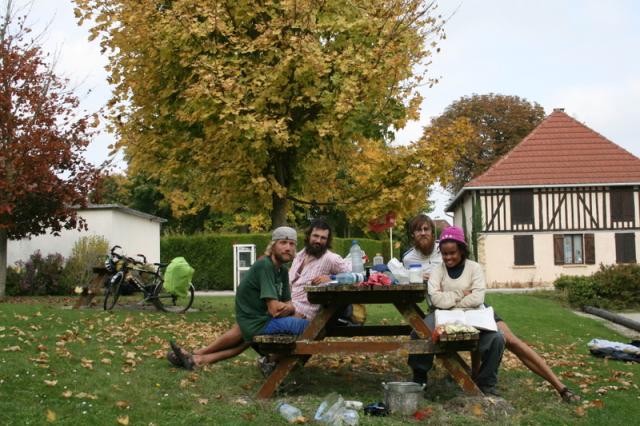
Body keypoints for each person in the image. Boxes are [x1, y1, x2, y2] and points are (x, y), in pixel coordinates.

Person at [403, 215, 580, 402]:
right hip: (446, 309)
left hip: (477, 307)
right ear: (412, 234)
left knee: (509, 340)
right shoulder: (408, 258)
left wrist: (456, 298)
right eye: (418, 230)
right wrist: (458, 295)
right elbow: (429, 293)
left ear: (433, 232)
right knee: (422, 332)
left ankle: (560, 387)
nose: (422, 233)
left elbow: (476, 295)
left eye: (426, 229)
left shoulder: (448, 243)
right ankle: (431, 379)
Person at [167, 226, 308, 370]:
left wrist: (289, 308)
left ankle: (196, 358)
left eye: (291, 244)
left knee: (243, 343)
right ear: (273, 246)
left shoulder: (283, 270)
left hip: (257, 318)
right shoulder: (265, 266)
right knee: (310, 328)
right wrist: (288, 308)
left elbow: (288, 304)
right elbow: (274, 310)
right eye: (283, 242)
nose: (288, 248)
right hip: (256, 319)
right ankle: (275, 362)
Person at [408, 226, 505, 396]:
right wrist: (461, 294)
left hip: (474, 314)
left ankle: (486, 385)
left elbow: (478, 298)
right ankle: (419, 378)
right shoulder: (438, 270)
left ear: (461, 250)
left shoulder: (474, 268)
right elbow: (436, 299)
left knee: (497, 339)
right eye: (444, 254)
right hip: (442, 314)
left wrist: (449, 299)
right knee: (419, 333)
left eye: (452, 253)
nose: (448, 257)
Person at [289, 219, 351, 320]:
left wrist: (332, 278)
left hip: (304, 315)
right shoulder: (298, 256)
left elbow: (357, 276)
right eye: (315, 236)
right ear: (309, 236)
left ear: (327, 241)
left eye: (323, 238)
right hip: (288, 307)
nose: (318, 241)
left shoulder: (331, 259)